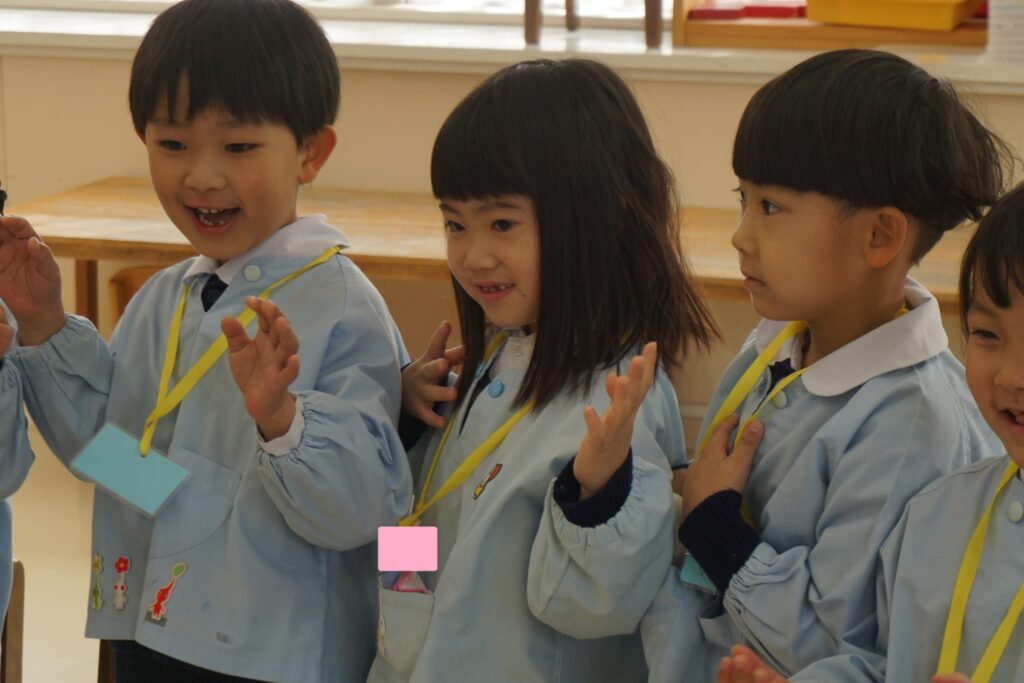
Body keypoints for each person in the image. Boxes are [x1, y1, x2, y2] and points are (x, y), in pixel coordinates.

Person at [0, 1, 411, 680]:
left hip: (275, 658)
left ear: (311, 152)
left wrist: (283, 422)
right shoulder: (166, 298)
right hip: (148, 635)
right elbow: (115, 460)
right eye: (172, 145)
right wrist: (43, 324)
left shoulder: (343, 308)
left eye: (238, 147)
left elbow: (366, 513)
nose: (201, 176)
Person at [642, 48, 1010, 682]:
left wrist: (714, 526)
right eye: (743, 199)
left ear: (879, 237)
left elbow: (840, 644)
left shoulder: (911, 424)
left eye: (770, 207)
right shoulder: (779, 341)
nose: (740, 235)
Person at [370, 58, 717, 683]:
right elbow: (426, 517)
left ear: (603, 216)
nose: (474, 255)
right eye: (455, 224)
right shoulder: (498, 358)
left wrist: (597, 491)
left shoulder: (621, 397)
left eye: (502, 223)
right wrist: (407, 422)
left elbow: (592, 605)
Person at [716, 183, 1024, 683]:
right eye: (988, 334)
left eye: (771, 206)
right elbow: (882, 662)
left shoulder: (916, 422)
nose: (1011, 376)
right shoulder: (941, 511)